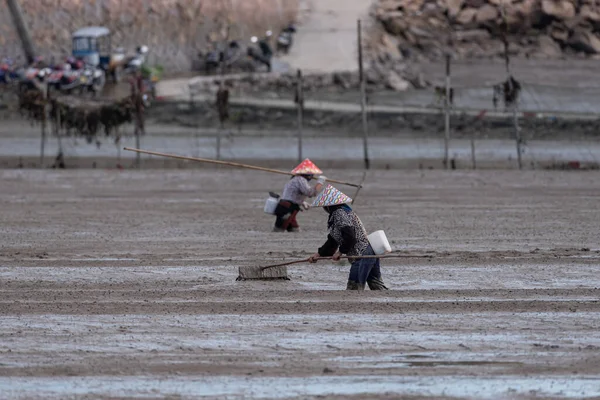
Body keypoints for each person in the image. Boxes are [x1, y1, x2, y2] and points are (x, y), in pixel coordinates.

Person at [308, 185, 388, 291]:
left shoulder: (339, 214)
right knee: (377, 286)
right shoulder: (341, 212)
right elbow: (333, 240)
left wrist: (340, 252)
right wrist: (318, 255)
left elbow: (350, 236)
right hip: (369, 251)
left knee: (354, 288)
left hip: (361, 253)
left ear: (328, 206)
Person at [274, 158, 326, 232]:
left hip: (289, 207)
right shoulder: (300, 179)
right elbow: (311, 193)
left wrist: (302, 202)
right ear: (309, 175)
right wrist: (320, 182)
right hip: (287, 209)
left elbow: (292, 195)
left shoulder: (295, 179)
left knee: (295, 230)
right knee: (278, 230)